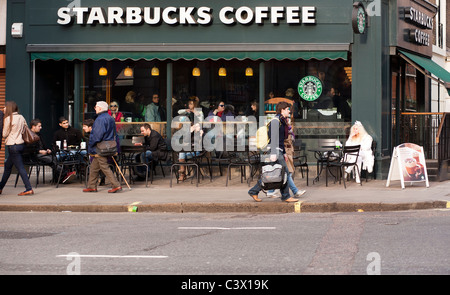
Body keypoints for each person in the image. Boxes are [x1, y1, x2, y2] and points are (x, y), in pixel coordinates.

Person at [248, 102, 300, 203]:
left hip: (278, 150)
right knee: (283, 173)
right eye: (287, 109)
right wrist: (273, 153)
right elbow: (273, 138)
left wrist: (284, 152)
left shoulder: (281, 121)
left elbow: (280, 140)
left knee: (275, 173)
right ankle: (285, 196)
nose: (289, 111)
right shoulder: (276, 121)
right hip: (275, 151)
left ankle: (254, 191)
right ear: (282, 110)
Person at [83, 101, 122, 193]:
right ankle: (91, 186)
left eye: (96, 107)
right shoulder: (110, 118)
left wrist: (91, 144)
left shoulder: (100, 119)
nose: (95, 108)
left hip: (100, 147)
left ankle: (116, 185)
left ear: (100, 108)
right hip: (107, 145)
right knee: (94, 167)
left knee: (104, 166)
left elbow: (97, 135)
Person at [0, 101, 34, 196]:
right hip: (20, 145)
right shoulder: (21, 117)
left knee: (20, 168)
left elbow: (4, 134)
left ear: (9, 108)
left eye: (5, 107)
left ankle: (28, 188)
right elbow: (25, 129)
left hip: (13, 145)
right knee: (7, 166)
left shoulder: (8, 119)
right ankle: (0, 187)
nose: (4, 109)